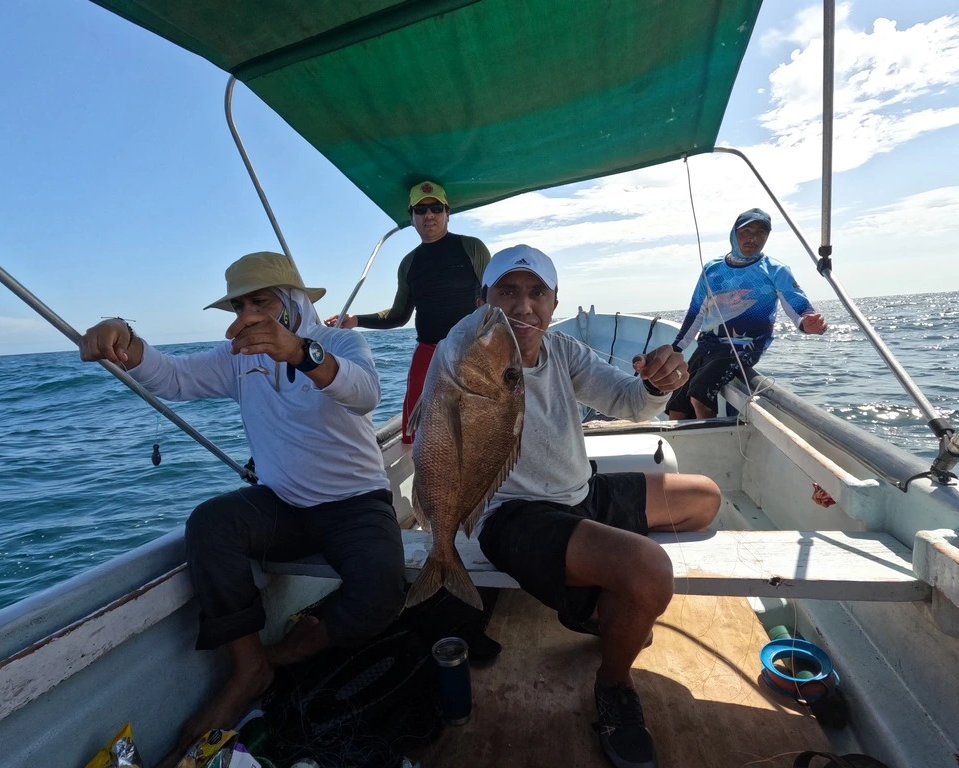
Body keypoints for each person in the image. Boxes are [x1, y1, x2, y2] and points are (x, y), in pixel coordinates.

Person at [78, 251, 406, 749]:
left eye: (262, 301)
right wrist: (125, 334)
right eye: (240, 306)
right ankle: (249, 668)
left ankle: (283, 655)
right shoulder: (240, 358)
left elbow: (365, 394)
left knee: (381, 592)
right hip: (283, 504)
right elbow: (175, 377)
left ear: (294, 301)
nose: (249, 314)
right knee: (211, 524)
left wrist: (299, 352)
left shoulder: (340, 341)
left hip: (356, 502)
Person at [468, 244, 721, 768]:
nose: (523, 306)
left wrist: (656, 381)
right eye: (507, 292)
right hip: (513, 516)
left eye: (537, 293)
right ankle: (613, 684)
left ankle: (602, 609)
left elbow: (630, 400)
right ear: (483, 302)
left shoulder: (564, 352)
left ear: (555, 304)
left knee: (704, 499)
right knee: (649, 570)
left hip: (580, 492)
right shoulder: (466, 358)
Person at [325, 180, 491, 443]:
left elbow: (494, 303)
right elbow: (399, 315)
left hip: (472, 352)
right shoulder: (409, 263)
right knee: (418, 435)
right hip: (427, 354)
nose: (429, 215)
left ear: (448, 213)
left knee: (480, 428)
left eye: (436, 208)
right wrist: (356, 319)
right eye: (420, 210)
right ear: (411, 218)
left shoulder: (473, 248)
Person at [666, 208, 828, 420]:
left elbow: (797, 305)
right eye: (746, 231)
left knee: (699, 394)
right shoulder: (712, 269)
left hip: (744, 347)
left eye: (761, 232)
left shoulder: (775, 270)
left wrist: (807, 322)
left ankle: (712, 447)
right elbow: (696, 311)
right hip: (707, 346)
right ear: (734, 233)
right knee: (677, 403)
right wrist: (677, 347)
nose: (753, 238)